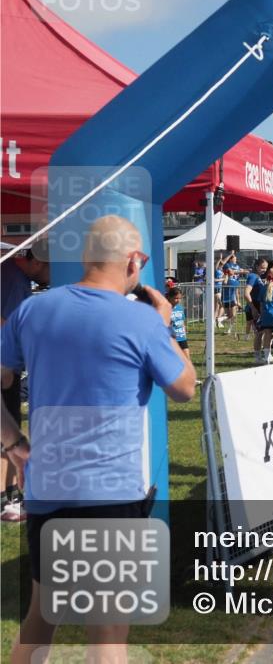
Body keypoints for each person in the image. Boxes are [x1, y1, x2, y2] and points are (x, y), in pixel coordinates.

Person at [1, 215, 195, 664]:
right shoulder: (141, 321)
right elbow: (185, 387)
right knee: (107, 635)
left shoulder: (32, 310)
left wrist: (12, 443)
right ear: (134, 261)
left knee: (40, 619)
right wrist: (166, 324)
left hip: (48, 491)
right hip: (111, 494)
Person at [0, 247, 49, 523]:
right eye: (45, 270)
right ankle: (10, 496)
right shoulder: (15, 277)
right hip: (5, 362)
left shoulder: (9, 272)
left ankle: (10, 496)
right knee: (10, 430)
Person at [256, 266, 273, 365]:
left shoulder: (263, 288)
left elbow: (261, 304)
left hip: (266, 315)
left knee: (267, 336)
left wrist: (262, 314)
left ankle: (267, 358)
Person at [244, 258, 268, 350]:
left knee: (260, 333)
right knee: (259, 333)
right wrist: (253, 308)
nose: (264, 270)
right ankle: (258, 356)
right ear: (257, 266)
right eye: (262, 268)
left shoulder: (258, 277)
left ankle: (262, 354)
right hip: (254, 307)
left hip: (259, 307)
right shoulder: (253, 276)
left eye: (266, 268)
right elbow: (246, 293)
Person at [166, 287, 191, 360]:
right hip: (172, 339)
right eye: (176, 298)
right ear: (170, 297)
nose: (178, 300)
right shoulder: (166, 308)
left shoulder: (180, 308)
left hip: (182, 337)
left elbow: (182, 322)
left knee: (187, 359)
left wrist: (184, 334)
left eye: (180, 298)